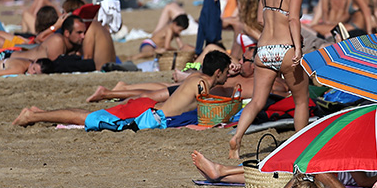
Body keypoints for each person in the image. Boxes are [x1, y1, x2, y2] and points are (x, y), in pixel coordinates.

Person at [230, 0, 310, 159]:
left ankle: (237, 138)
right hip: (285, 49)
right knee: (301, 100)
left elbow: (259, 19)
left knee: (257, 101)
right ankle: (300, 148)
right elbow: (293, 19)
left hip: (264, 49)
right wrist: (298, 48)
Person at [12, 50, 232, 127]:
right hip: (147, 115)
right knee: (88, 118)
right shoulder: (202, 83)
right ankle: (32, 116)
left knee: (90, 117)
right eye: (227, 71)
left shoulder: (197, 78)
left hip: (148, 109)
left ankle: (38, 113)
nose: (229, 74)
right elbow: (207, 112)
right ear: (218, 72)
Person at [11, 15, 86, 62]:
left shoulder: (77, 44)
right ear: (66, 33)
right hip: (10, 58)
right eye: (79, 33)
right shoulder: (57, 40)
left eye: (84, 32)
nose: (83, 36)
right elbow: (56, 67)